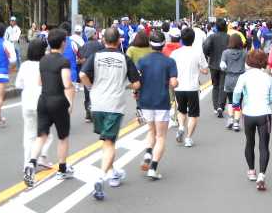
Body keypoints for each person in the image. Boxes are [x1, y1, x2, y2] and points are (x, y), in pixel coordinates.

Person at [80, 27, 141, 201]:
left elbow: (83, 74)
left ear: (103, 40)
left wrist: (91, 87)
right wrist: (126, 86)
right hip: (114, 105)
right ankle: (101, 177)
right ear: (119, 41)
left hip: (97, 104)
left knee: (107, 141)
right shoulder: (124, 59)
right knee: (109, 142)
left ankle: (113, 173)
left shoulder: (96, 56)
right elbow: (137, 84)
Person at [23, 29, 76, 187]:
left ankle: (31, 163)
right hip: (58, 101)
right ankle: (62, 169)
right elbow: (67, 84)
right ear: (62, 43)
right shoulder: (63, 61)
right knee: (63, 137)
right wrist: (71, 102)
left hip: (43, 100)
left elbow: (39, 82)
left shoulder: (43, 60)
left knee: (41, 135)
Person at [232, 49, 272, 191]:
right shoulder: (268, 77)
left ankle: (251, 171)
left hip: (249, 113)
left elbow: (237, 93)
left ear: (249, 61)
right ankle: (262, 175)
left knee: (249, 142)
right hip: (264, 114)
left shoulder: (244, 77)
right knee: (264, 146)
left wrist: (237, 105)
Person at [137, 30, 178, 180]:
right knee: (160, 136)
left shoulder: (142, 61)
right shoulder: (169, 62)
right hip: (161, 101)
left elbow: (136, 81)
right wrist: (175, 82)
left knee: (150, 130)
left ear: (150, 44)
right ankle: (153, 168)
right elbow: (173, 82)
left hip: (145, 100)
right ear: (163, 44)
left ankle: (148, 152)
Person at [16, 38, 53, 170]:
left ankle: (28, 163)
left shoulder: (25, 65)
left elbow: (18, 84)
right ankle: (42, 156)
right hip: (43, 103)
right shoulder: (47, 64)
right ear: (43, 51)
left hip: (27, 103)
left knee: (29, 135)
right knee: (46, 134)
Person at [170, 27, 208, 147]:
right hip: (192, 87)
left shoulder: (175, 53)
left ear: (181, 39)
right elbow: (205, 71)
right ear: (193, 39)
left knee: (181, 110)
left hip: (179, 87)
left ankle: (181, 127)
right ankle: (188, 138)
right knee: (193, 114)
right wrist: (200, 69)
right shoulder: (198, 52)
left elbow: (171, 70)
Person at [203, 18, 230, 117]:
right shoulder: (228, 37)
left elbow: (205, 47)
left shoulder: (212, 36)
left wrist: (209, 54)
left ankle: (215, 107)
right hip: (225, 64)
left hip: (213, 63)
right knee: (223, 86)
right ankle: (220, 106)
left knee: (215, 86)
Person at [220, 34, 246, 131]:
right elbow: (247, 66)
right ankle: (236, 122)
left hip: (229, 78)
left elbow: (222, 66)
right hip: (241, 79)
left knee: (230, 101)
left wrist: (228, 68)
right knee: (238, 102)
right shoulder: (244, 53)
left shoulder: (225, 53)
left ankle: (230, 118)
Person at [78, 27, 103, 122]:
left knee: (88, 93)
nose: (97, 35)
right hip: (98, 72)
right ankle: (98, 113)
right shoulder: (100, 45)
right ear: (93, 35)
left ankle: (88, 114)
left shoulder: (84, 46)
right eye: (96, 33)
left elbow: (80, 58)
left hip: (86, 73)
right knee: (99, 92)